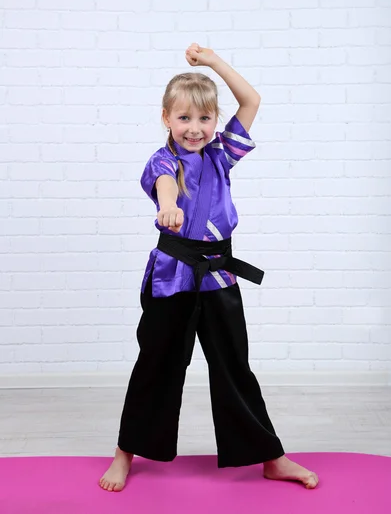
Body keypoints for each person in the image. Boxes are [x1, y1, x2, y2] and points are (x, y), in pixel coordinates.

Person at [99, 44, 319, 492]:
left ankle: (271, 458)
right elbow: (164, 185)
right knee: (157, 366)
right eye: (184, 118)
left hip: (218, 273)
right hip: (172, 276)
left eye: (204, 119)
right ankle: (125, 453)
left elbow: (252, 100)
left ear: (214, 122)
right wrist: (168, 207)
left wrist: (214, 63)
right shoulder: (164, 161)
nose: (195, 129)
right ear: (166, 119)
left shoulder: (221, 156)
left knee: (234, 365)